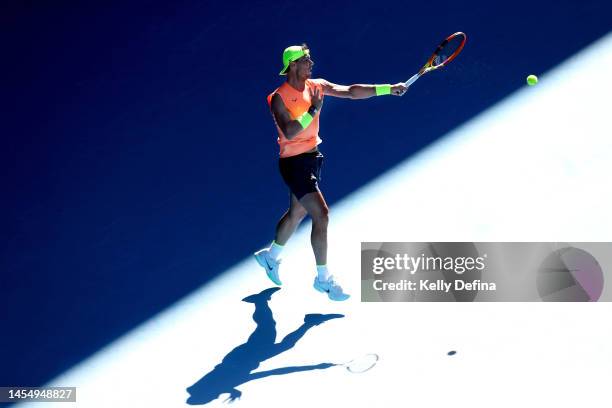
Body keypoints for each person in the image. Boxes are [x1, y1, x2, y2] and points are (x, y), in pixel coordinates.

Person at [255, 43, 407, 301]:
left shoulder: (317, 85)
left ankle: (270, 257)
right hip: (293, 163)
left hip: (313, 157)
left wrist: (388, 89)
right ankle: (323, 279)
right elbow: (290, 131)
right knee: (321, 215)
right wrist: (313, 109)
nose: (311, 63)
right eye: (306, 59)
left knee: (297, 212)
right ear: (293, 64)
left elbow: (349, 92)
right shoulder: (278, 97)